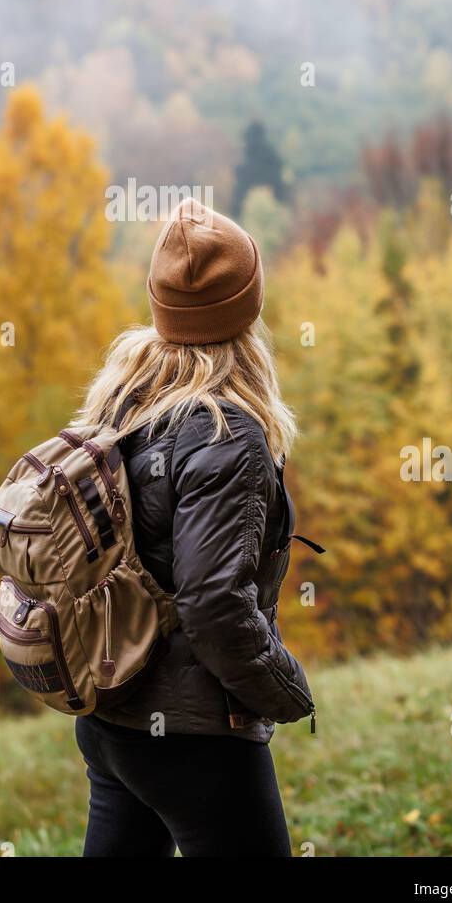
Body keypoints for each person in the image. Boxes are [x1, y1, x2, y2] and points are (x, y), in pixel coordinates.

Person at [69, 197, 315, 857]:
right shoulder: (227, 432)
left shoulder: (123, 398)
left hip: (113, 719)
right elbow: (212, 605)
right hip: (192, 738)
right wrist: (285, 687)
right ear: (247, 310)